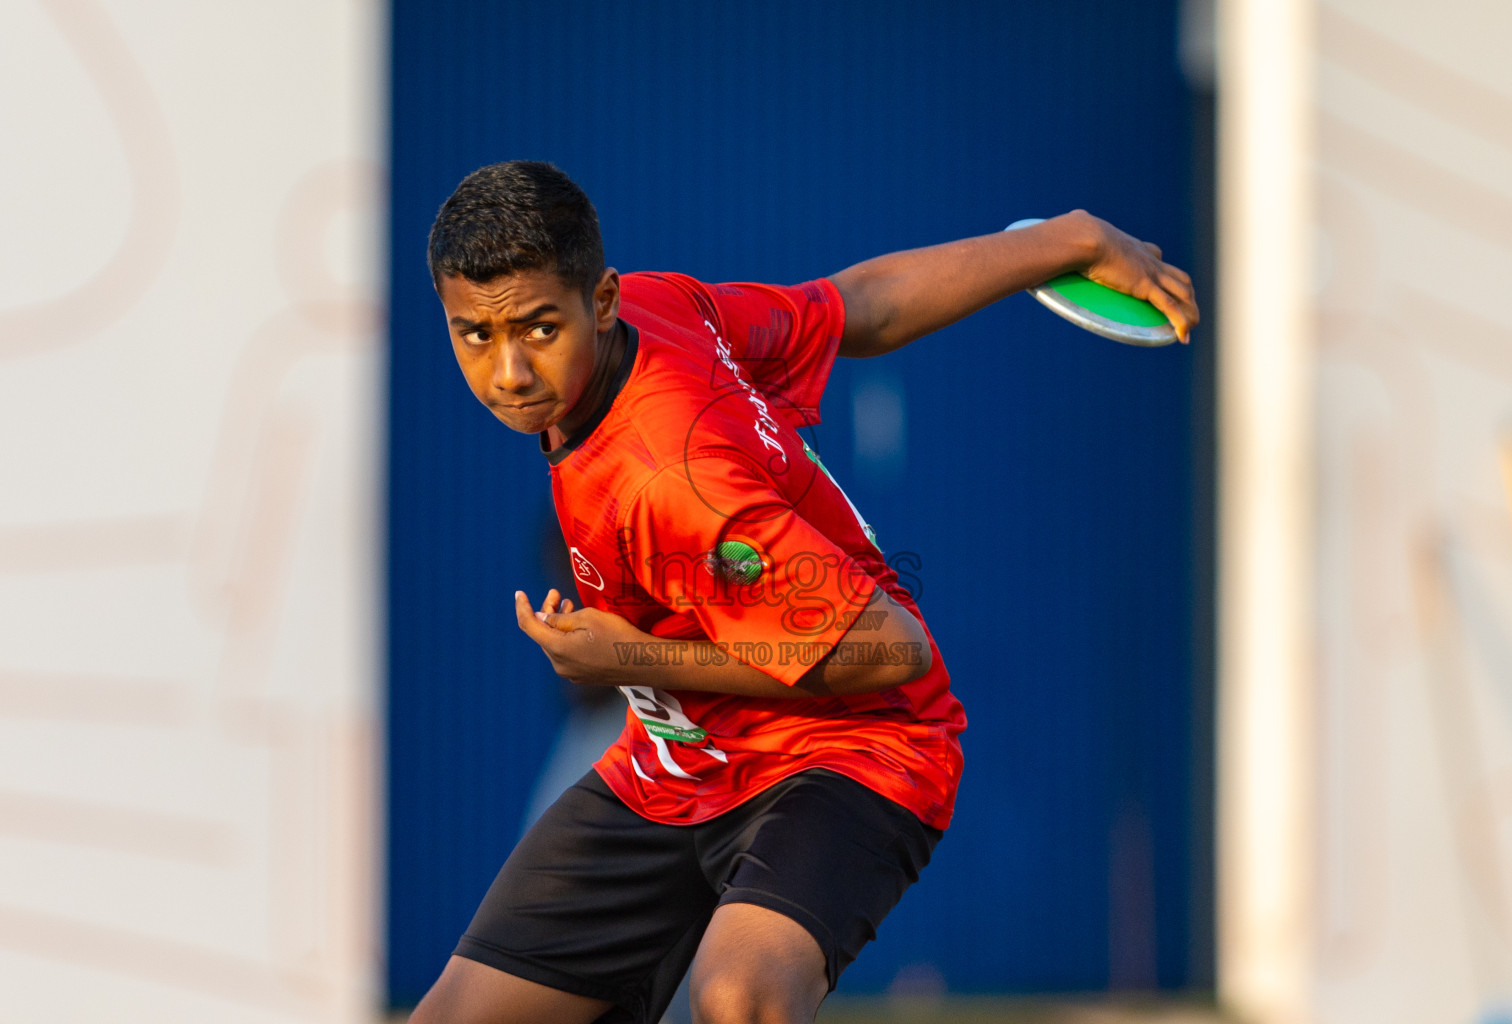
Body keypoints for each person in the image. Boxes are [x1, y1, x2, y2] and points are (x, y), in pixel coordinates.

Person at [409, 161, 1198, 1024]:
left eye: (536, 328)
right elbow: (860, 306)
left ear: (600, 301)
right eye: (474, 336)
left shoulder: (679, 476)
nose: (510, 371)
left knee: (743, 996)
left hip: (850, 754)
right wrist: (1067, 241)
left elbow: (891, 651)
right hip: (681, 761)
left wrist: (624, 657)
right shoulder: (656, 311)